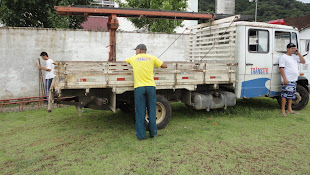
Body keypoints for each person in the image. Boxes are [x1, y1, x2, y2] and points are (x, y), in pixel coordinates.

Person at [125, 44, 167, 140]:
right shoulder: (152, 58)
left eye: (136, 50)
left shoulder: (133, 59)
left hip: (139, 88)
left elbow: (125, 61)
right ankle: (153, 133)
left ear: (139, 50)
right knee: (152, 110)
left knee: (140, 112)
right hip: (150, 87)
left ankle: (141, 136)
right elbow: (165, 65)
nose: (135, 51)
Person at [279, 43, 305, 117]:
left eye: (294, 48)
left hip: (294, 79)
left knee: (291, 95)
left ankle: (289, 109)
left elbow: (303, 61)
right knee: (284, 95)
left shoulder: (294, 57)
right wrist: (284, 79)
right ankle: (283, 110)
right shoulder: (283, 57)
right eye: (292, 48)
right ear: (287, 49)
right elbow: (281, 68)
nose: (293, 50)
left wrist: (298, 53)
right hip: (287, 79)